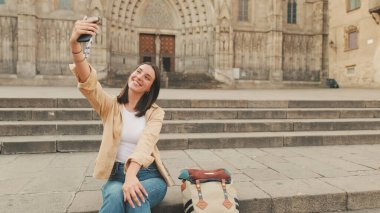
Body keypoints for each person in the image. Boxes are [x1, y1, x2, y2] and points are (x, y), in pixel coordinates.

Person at [69, 17, 173, 213]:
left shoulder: (156, 113)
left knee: (136, 196)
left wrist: (132, 175)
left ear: (151, 87)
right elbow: (89, 83)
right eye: (138, 71)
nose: (139, 77)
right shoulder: (110, 106)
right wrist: (75, 45)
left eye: (147, 77)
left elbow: (146, 145)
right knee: (118, 195)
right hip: (116, 176)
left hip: (149, 176)